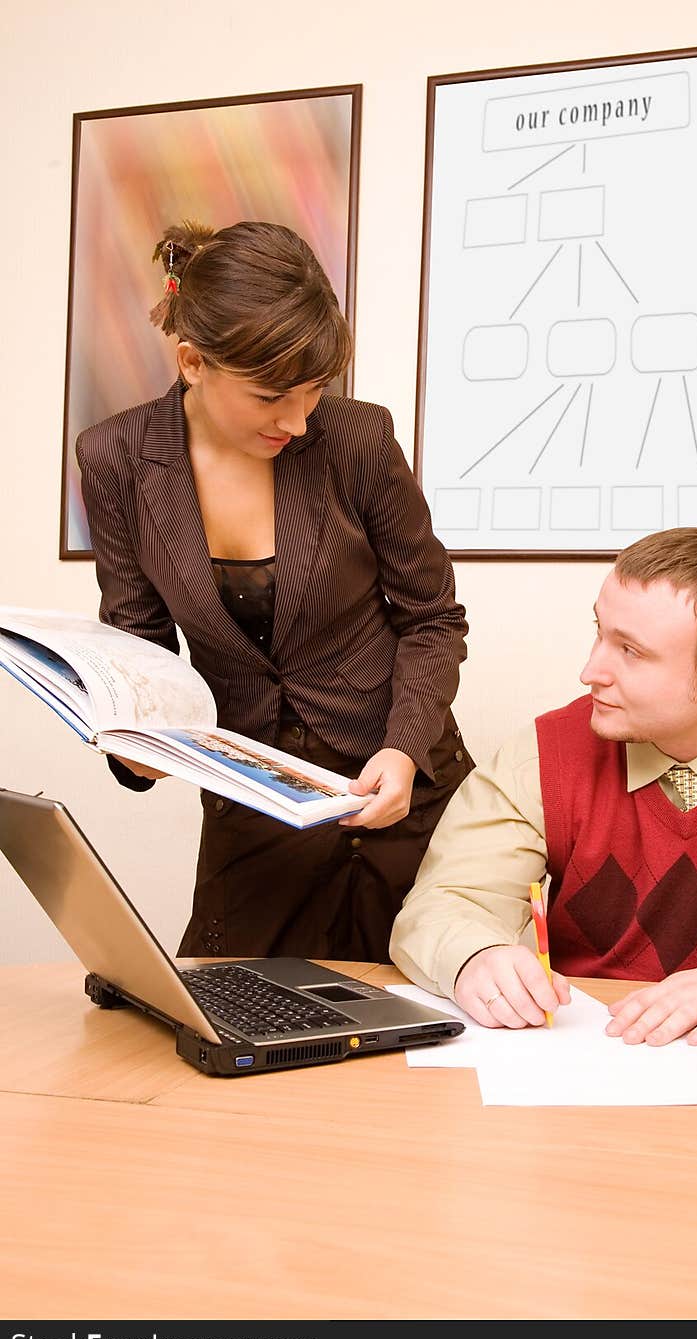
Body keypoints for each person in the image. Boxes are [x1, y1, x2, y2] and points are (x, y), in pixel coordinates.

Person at [76, 218, 474, 962]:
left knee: (432, 1026)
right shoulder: (117, 458)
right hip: (255, 799)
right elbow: (141, 644)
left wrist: (401, 749)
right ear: (192, 362)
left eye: (315, 391)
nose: (297, 421)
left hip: (398, 787)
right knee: (225, 1018)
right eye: (270, 397)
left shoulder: (356, 440)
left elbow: (432, 619)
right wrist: (136, 743)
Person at [389, 526, 697, 1045]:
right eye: (600, 632)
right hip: (591, 1054)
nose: (589, 671)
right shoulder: (543, 753)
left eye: (631, 651)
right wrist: (476, 956)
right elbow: (444, 902)